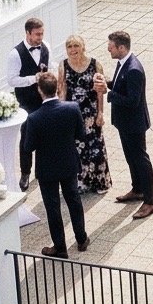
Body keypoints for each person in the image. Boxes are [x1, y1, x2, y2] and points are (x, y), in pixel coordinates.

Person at [20, 72, 89, 259]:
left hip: (47, 169)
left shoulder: (34, 118)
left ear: (40, 91)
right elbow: (81, 135)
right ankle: (81, 238)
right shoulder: (72, 108)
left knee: (53, 208)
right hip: (68, 164)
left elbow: (28, 147)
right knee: (74, 201)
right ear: (58, 87)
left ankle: (60, 247)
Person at [94, 30, 153, 219]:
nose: (108, 49)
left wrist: (108, 93)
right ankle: (137, 189)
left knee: (141, 160)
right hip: (125, 123)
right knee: (131, 158)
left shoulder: (134, 69)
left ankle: (150, 201)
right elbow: (121, 84)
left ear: (121, 48)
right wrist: (107, 82)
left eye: (111, 47)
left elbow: (132, 101)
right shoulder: (123, 63)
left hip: (134, 124)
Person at [57, 35, 112, 194]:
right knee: (76, 149)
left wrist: (100, 113)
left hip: (91, 113)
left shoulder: (95, 64)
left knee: (96, 148)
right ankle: (81, 183)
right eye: (69, 47)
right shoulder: (63, 65)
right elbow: (62, 90)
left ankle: (100, 182)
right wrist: (60, 114)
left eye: (76, 46)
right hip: (72, 114)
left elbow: (100, 92)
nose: (73, 50)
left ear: (83, 47)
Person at [9, 17, 49, 190]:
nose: (40, 37)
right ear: (27, 33)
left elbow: (49, 66)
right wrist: (33, 79)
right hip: (26, 101)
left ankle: (42, 170)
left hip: (44, 99)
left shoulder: (45, 47)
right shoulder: (15, 54)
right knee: (26, 137)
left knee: (45, 136)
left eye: (42, 33)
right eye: (37, 34)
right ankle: (25, 172)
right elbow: (12, 80)